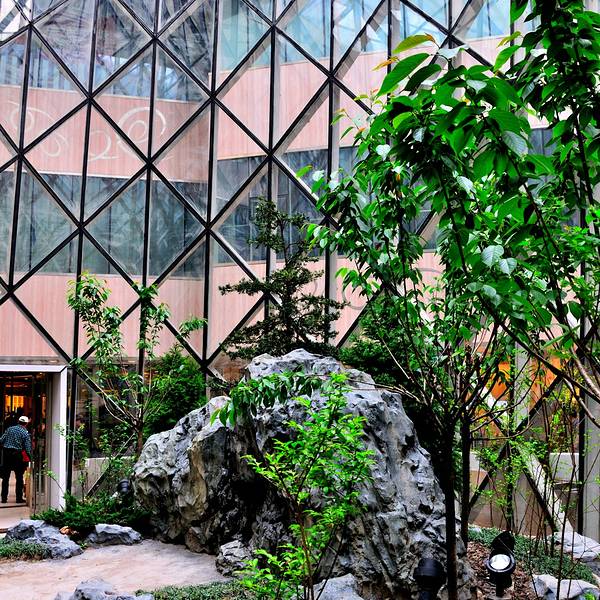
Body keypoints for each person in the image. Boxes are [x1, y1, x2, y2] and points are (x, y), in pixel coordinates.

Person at [0, 416, 32, 504]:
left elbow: (1, 440)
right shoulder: (25, 433)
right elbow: (27, 448)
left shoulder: (9, 429)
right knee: (19, 477)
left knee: (5, 477)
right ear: (26, 423)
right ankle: (18, 498)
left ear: (18, 421)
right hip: (17, 455)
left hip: (7, 454)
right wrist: (30, 457)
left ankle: (4, 498)